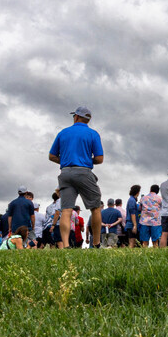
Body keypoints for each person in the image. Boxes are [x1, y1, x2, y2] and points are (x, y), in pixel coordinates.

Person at [49, 106, 105, 249]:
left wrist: (66, 160)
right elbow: (99, 158)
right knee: (95, 208)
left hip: (66, 173)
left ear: (76, 117)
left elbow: (52, 156)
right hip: (84, 172)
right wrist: (86, 160)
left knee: (66, 210)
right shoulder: (93, 134)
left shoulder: (63, 133)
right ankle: (96, 244)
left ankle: (66, 246)